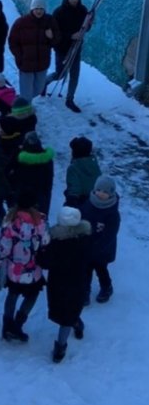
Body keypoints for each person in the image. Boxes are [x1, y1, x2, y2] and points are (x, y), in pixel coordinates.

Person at [37, 206, 90, 363]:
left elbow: (44, 262)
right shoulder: (85, 238)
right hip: (78, 281)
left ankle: (61, 346)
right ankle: (74, 326)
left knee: (62, 312)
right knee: (72, 308)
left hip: (58, 283)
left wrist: (42, 249)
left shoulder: (55, 242)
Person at [0, 189, 50, 342]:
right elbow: (45, 241)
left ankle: (7, 326)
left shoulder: (9, 220)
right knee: (32, 295)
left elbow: (4, 246)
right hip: (33, 270)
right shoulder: (39, 221)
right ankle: (18, 324)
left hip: (14, 270)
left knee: (12, 295)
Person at [46, 0, 91, 112]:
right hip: (62, 48)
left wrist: (88, 25)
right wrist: (71, 35)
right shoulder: (59, 12)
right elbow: (55, 33)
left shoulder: (83, 11)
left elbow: (85, 29)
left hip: (76, 48)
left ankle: (70, 99)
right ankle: (44, 82)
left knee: (75, 75)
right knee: (60, 74)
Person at [8, 0, 60, 101]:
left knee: (38, 89)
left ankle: (21, 101)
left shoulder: (49, 21)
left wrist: (51, 37)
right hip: (26, 64)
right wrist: (20, 56)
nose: (39, 11)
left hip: (42, 63)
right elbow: (12, 41)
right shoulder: (21, 22)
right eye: (36, 8)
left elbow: (57, 40)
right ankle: (25, 113)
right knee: (27, 94)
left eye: (41, 9)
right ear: (32, 8)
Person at [80, 175, 121, 305]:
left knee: (101, 269)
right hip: (86, 245)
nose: (101, 194)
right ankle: (85, 291)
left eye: (105, 192)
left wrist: (98, 248)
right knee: (85, 270)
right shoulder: (88, 203)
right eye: (99, 190)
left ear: (111, 193)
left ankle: (106, 287)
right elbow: (81, 219)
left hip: (103, 248)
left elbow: (110, 234)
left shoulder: (113, 213)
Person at [0, 115, 21, 225]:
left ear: (5, 131)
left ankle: (2, 219)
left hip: (0, 183)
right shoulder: (13, 140)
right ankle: (14, 219)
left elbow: (4, 164)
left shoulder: (5, 146)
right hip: (10, 185)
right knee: (11, 201)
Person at [13, 131, 55, 219]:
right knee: (39, 219)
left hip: (24, 195)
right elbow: (49, 180)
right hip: (42, 195)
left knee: (21, 219)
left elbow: (15, 177)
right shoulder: (47, 158)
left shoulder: (21, 158)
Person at [64, 136, 102, 209]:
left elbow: (74, 187)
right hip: (95, 200)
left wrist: (70, 202)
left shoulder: (73, 168)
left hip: (80, 203)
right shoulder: (94, 163)